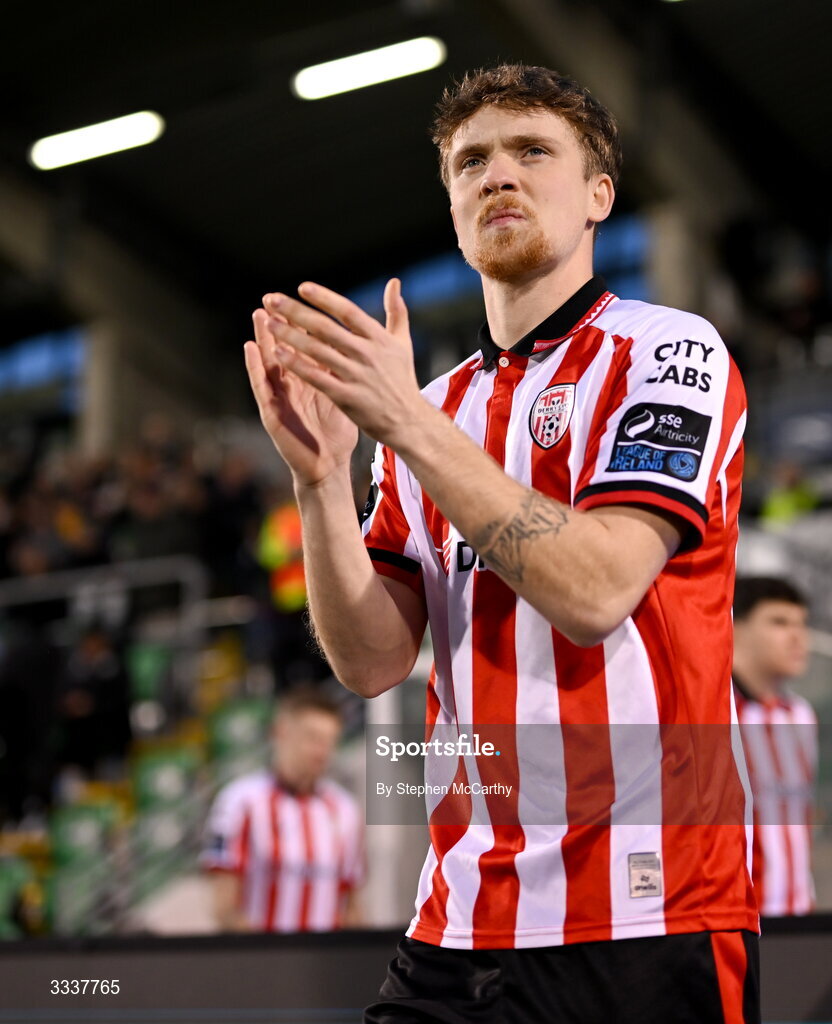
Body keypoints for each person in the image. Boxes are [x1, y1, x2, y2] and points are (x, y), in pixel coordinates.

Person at [244, 64, 758, 1023]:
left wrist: (405, 425)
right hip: (458, 921)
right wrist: (320, 483)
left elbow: (598, 588)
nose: (497, 176)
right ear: (451, 206)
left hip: (648, 917)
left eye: (532, 151)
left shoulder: (669, 350)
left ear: (600, 195)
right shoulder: (433, 410)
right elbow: (370, 661)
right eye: (470, 161)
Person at [201, 688, 364, 932]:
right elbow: (224, 908)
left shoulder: (345, 809)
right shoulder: (240, 801)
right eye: (312, 738)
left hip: (327, 963)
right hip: (265, 960)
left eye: (330, 741)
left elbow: (351, 904)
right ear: (280, 732)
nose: (322, 752)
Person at [733, 576, 817, 916]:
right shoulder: (712, 713)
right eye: (779, 622)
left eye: (802, 623)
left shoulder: (800, 715)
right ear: (735, 627)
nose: (798, 637)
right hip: (738, 924)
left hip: (797, 920)